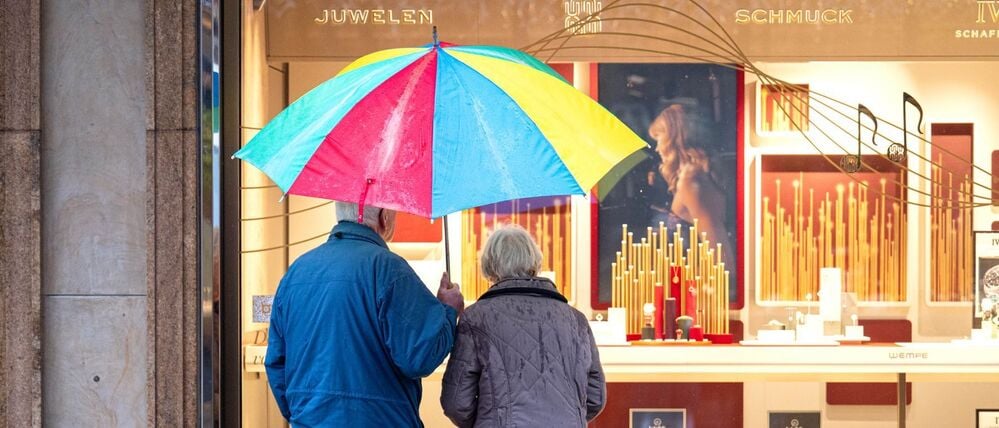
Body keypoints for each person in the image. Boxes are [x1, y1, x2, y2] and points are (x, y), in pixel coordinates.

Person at [265, 201, 465, 427]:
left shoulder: (295, 273)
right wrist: (448, 311)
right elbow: (419, 358)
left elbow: (276, 362)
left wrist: (304, 414)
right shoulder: (389, 269)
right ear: (384, 216)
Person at [441, 225, 606, 427]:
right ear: (535, 262)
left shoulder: (476, 318)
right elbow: (595, 397)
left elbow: (456, 403)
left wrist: (489, 420)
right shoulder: (576, 320)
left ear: (489, 266)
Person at [648, 103, 736, 271]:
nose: (658, 148)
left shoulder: (692, 181)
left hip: (699, 287)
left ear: (674, 139)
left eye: (659, 139)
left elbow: (722, 257)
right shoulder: (694, 176)